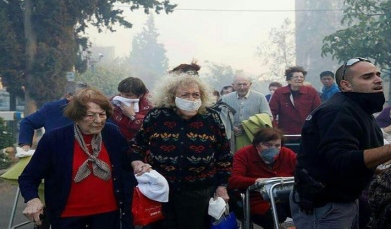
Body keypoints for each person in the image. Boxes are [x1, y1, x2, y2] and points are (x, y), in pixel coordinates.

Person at [289, 57, 391, 229]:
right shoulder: (336, 111)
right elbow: (341, 160)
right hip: (325, 204)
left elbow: (357, 156)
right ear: (346, 85)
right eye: (367, 77)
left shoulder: (358, 109)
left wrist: (381, 170)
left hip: (345, 200)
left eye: (378, 74)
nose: (377, 79)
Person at [128, 73, 232, 229]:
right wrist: (137, 162)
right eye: (185, 95)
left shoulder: (212, 118)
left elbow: (223, 155)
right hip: (161, 190)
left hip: (199, 192)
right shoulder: (157, 116)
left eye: (195, 95)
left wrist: (222, 186)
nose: (191, 99)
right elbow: (137, 145)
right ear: (172, 98)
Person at [18, 88, 129, 228]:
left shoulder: (112, 134)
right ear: (77, 116)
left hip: (108, 216)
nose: (98, 120)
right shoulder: (55, 139)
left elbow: (127, 168)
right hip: (68, 218)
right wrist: (32, 199)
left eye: (102, 114)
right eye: (91, 115)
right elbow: (28, 177)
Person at [228, 127, 297, 229]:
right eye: (268, 145)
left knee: (305, 209)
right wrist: (256, 181)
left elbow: (302, 171)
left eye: (277, 145)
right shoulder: (244, 154)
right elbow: (233, 180)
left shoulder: (287, 154)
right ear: (257, 145)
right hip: (257, 199)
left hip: (286, 196)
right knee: (275, 216)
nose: (273, 148)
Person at [110, 77, 153, 229]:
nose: (124, 98)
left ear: (140, 95)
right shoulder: (114, 104)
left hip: (144, 159)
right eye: (122, 94)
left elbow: (150, 130)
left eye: (128, 95)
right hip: (119, 156)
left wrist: (132, 116)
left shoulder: (151, 108)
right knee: (124, 197)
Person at [18, 81, 89, 151]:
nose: (85, 102)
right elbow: (27, 122)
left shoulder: (94, 111)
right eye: (81, 98)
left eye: (88, 98)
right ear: (68, 96)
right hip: (54, 155)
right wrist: (25, 145)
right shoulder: (52, 109)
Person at [269, 66, 320, 152]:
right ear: (289, 79)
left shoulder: (311, 92)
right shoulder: (279, 93)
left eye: (301, 77)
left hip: (306, 133)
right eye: (296, 77)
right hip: (285, 134)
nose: (299, 79)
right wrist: (275, 130)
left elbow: (318, 112)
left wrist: (314, 130)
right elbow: (271, 113)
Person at [222, 71, 272, 150]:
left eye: (245, 84)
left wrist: (248, 125)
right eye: (239, 84)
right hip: (231, 138)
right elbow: (220, 117)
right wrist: (232, 127)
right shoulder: (225, 98)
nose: (242, 87)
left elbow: (268, 116)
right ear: (233, 86)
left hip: (253, 137)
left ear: (250, 84)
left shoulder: (260, 97)